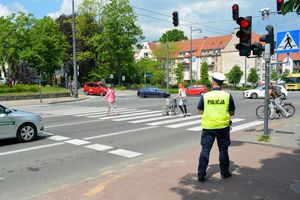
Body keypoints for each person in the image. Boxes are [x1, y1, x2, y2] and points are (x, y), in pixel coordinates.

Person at [196, 72, 235, 182]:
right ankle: (224, 173)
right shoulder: (227, 95)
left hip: (208, 127)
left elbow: (199, 111)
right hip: (223, 127)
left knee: (205, 150)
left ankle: (201, 175)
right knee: (223, 150)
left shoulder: (206, 95)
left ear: (213, 82)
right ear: (222, 84)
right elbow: (232, 112)